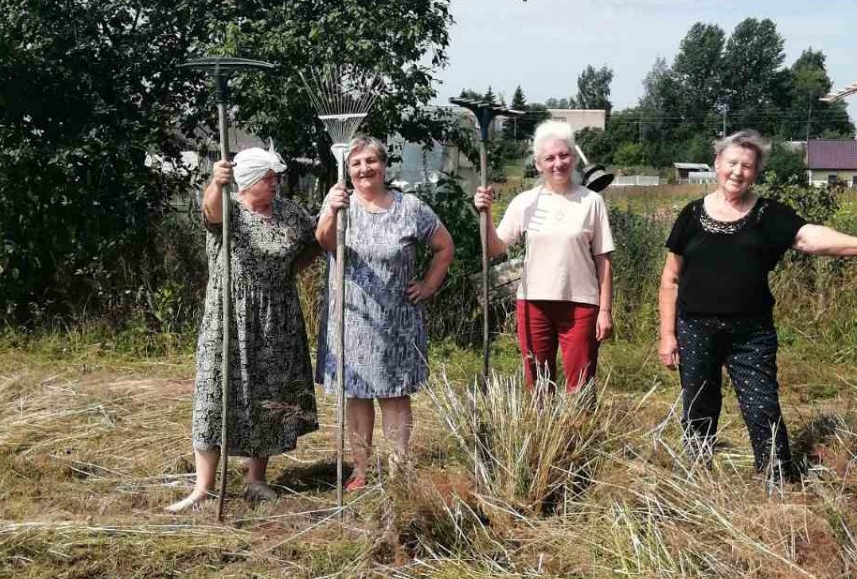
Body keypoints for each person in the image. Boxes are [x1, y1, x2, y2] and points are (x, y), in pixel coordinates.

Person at [658, 130, 857, 484]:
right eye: (732, 163)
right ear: (717, 165)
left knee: (762, 408)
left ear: (756, 172)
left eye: (748, 166)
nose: (738, 172)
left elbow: (808, 237)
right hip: (695, 328)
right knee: (698, 406)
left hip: (750, 333)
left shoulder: (769, 214)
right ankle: (698, 478)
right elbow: (670, 279)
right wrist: (667, 334)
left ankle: (776, 481)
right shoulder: (692, 215)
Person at [169, 144, 321, 512]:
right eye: (268, 179)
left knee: (266, 395)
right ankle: (203, 487)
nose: (275, 184)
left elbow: (315, 241)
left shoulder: (288, 212)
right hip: (229, 314)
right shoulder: (230, 207)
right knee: (214, 392)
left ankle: (257, 480)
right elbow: (211, 212)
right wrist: (216, 181)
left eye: (275, 178)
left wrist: (290, 269)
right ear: (248, 181)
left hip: (276, 315)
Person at [316, 136, 454, 488]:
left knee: (395, 394)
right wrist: (331, 210)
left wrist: (428, 286)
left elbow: (444, 246)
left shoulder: (410, 208)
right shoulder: (340, 204)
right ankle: (361, 470)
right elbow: (325, 242)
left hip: (397, 319)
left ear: (383, 165)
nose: (364, 169)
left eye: (371, 162)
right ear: (348, 170)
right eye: (356, 164)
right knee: (358, 394)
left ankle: (398, 469)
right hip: (352, 317)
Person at [474, 118, 614, 391]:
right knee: (537, 383)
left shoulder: (591, 202)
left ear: (573, 157)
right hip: (533, 303)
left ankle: (579, 433)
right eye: (549, 158)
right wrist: (485, 214)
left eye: (564, 155)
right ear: (538, 164)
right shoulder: (526, 202)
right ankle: (541, 433)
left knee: (582, 384)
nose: (558, 163)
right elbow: (494, 248)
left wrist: (605, 310)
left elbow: (603, 260)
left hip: (581, 304)